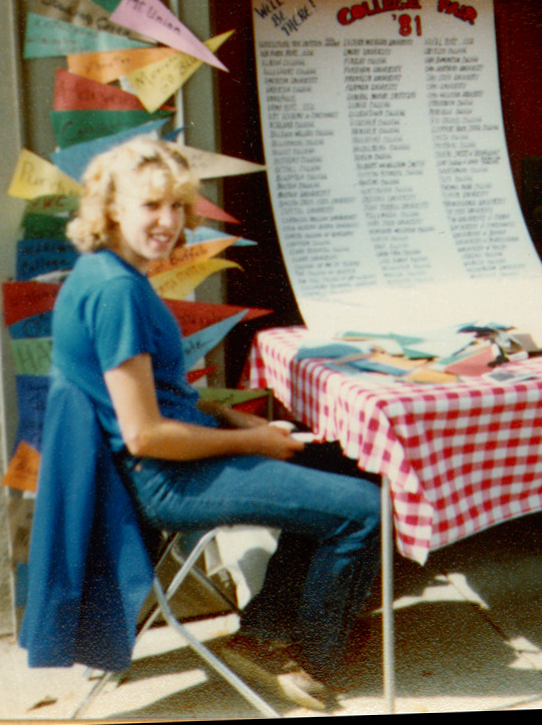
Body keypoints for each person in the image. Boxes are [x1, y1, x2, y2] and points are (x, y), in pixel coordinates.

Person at [49, 136, 381, 706]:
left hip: (161, 467)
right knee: (365, 510)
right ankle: (312, 660)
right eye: (150, 205)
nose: (168, 221)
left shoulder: (107, 273)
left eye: (177, 206)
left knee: (347, 463)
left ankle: (266, 630)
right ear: (112, 209)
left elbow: (160, 395)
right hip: (165, 480)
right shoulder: (117, 292)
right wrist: (255, 441)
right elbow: (144, 434)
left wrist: (228, 417)